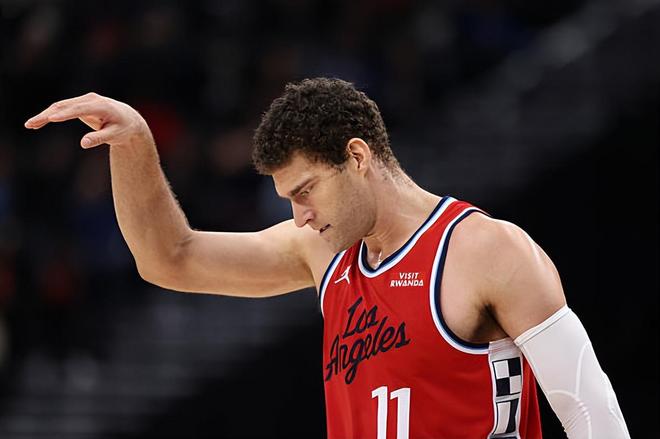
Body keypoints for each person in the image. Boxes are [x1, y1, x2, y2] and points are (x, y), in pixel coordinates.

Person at [25, 78, 629, 438]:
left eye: (306, 191)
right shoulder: (324, 255)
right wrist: (134, 145)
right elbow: (171, 259)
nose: (299, 216)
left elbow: (589, 410)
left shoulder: (488, 249)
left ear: (357, 157)